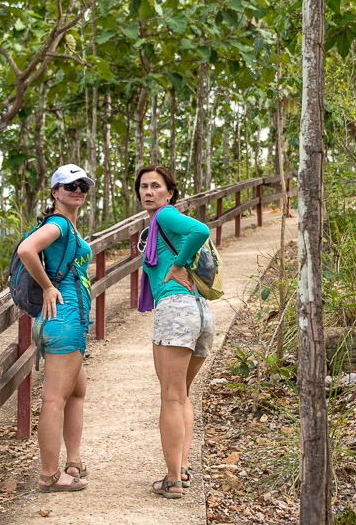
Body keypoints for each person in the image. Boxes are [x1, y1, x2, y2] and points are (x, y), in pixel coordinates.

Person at [135, 165, 215, 499]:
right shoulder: (157, 224)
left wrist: (179, 263)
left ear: (170, 193)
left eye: (156, 186)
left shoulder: (165, 216)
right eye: (143, 187)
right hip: (199, 312)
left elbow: (200, 230)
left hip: (177, 310)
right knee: (180, 394)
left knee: (170, 396)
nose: (148, 192)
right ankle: (180, 468)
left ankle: (172, 480)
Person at [17, 164, 94, 493]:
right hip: (64, 318)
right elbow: (26, 250)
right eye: (69, 186)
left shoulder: (69, 227)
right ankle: (49, 476)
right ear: (54, 192)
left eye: (82, 185)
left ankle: (72, 461)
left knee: (76, 391)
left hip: (67, 321)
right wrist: (48, 287)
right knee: (53, 400)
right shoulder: (59, 224)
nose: (77, 190)